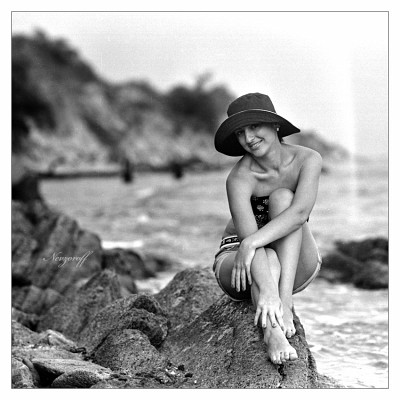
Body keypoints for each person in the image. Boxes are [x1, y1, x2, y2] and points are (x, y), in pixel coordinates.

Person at [213, 93, 322, 365]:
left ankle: (285, 304)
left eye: (254, 126)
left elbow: (299, 215)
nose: (248, 138)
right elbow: (248, 241)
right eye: (240, 132)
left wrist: (282, 299)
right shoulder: (239, 178)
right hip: (238, 258)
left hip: (296, 262)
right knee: (268, 257)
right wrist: (267, 289)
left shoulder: (308, 159)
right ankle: (272, 332)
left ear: (275, 125)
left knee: (284, 198)